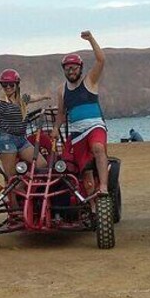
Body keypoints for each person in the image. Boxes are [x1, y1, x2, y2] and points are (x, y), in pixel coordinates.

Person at [50, 31, 110, 196]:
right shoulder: (62, 89)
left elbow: (101, 60)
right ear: (64, 70)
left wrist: (91, 40)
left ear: (80, 68)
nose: (71, 71)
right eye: (68, 68)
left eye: (74, 68)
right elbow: (61, 113)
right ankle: (91, 205)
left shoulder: (90, 80)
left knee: (98, 148)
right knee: (84, 171)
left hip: (94, 126)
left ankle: (104, 186)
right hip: (77, 132)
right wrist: (56, 128)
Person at [0, 69, 51, 180]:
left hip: (22, 140)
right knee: (12, 178)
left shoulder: (22, 99)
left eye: (11, 84)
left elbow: (34, 97)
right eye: (4, 85)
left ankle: (27, 188)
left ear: (17, 84)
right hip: (6, 140)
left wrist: (44, 96)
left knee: (42, 164)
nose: (8, 87)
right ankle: (17, 194)